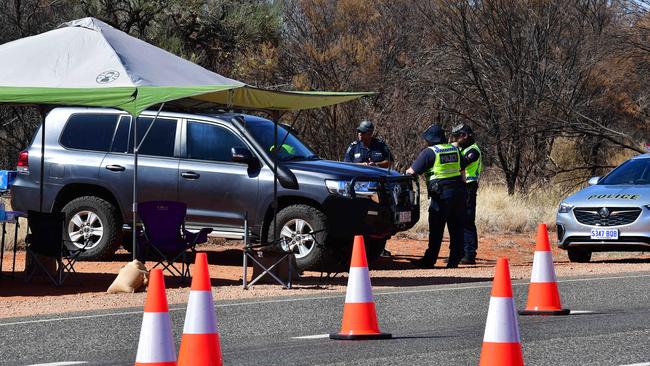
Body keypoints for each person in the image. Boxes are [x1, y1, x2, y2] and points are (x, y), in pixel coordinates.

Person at [406, 124, 466, 268]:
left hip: (441, 196)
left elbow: (412, 172)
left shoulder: (430, 152)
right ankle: (454, 261)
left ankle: (429, 261)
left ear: (431, 139)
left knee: (436, 229)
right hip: (459, 193)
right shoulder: (455, 149)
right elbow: (463, 172)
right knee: (456, 228)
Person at [344, 120, 393, 257]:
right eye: (358, 131)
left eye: (363, 132)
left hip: (378, 188)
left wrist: (375, 165)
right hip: (359, 189)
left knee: (379, 218)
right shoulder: (353, 147)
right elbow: (345, 165)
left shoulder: (381, 146)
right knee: (361, 217)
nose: (359, 134)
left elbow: (389, 162)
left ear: (370, 133)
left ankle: (380, 247)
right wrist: (362, 166)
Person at [450, 124, 482, 265]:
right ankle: (459, 253)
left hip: (469, 186)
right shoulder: (463, 149)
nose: (456, 139)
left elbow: (462, 163)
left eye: (458, 136)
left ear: (466, 135)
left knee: (468, 220)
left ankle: (469, 254)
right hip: (460, 186)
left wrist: (454, 149)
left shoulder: (473, 151)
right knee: (458, 220)